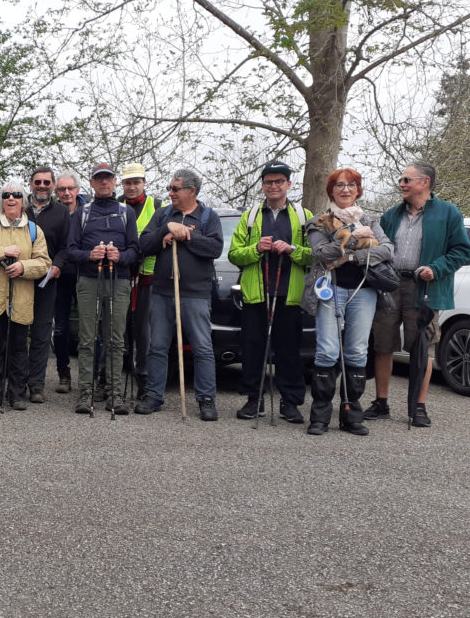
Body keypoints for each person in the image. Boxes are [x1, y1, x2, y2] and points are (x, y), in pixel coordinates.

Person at [364, 162, 470, 427]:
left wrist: (436, 269)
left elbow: (461, 250)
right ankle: (381, 402)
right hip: (390, 286)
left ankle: (419, 407)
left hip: (425, 287)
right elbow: (379, 247)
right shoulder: (391, 214)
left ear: (424, 182)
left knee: (422, 348)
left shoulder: (449, 213)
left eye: (406, 179)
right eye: (401, 180)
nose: (401, 184)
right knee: (383, 344)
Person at [302, 168, 393, 436]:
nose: (345, 190)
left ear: (358, 190)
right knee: (327, 351)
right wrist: (355, 239)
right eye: (339, 185)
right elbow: (321, 254)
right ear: (331, 190)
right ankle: (319, 417)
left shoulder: (371, 218)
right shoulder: (318, 220)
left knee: (357, 352)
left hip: (363, 291)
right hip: (329, 289)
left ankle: (351, 414)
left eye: (351, 185)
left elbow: (387, 250)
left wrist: (350, 257)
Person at [227, 161, 313, 423]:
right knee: (253, 349)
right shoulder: (250, 216)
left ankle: (290, 402)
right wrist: (255, 248)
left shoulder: (304, 215)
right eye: (268, 182)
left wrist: (293, 250)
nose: (273, 186)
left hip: (289, 294)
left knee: (289, 350)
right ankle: (254, 400)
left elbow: (314, 256)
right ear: (262, 185)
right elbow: (234, 254)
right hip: (256, 294)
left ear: (288, 184)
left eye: (279, 181)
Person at [136, 169, 223, 421]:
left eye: (175, 189)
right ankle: (153, 394)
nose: (170, 193)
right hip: (162, 291)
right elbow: (144, 244)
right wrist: (166, 228)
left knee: (202, 347)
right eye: (170, 188)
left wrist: (185, 235)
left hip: (196, 294)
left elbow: (215, 248)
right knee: (158, 345)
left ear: (191, 191)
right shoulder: (163, 213)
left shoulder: (208, 216)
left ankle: (206, 399)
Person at [66, 163, 139, 415]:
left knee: (115, 339)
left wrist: (121, 256)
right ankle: (85, 391)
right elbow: (71, 250)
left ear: (114, 181)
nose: (104, 183)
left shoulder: (126, 213)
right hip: (89, 279)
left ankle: (114, 391)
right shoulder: (82, 213)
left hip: (118, 280)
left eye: (108, 178)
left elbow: (135, 250)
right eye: (99, 179)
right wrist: (90, 254)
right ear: (93, 182)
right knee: (87, 339)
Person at [0, 181, 51, 409]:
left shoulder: (34, 230)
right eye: (6, 195)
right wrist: (1, 252)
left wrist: (23, 267)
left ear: (23, 200)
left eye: (16, 195)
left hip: (21, 299)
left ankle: (16, 394)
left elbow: (44, 263)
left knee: (18, 349)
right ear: (2, 201)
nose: (11, 199)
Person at [25, 166, 70, 404]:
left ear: (52, 185)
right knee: (21, 333)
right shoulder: (20, 210)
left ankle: (36, 385)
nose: (42, 186)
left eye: (46, 182)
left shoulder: (61, 212)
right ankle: (17, 381)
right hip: (21, 280)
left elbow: (66, 246)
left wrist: (58, 265)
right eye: (37, 182)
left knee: (42, 334)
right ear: (31, 184)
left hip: (48, 280)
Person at [119, 163, 164, 399]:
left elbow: (162, 234)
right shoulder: (116, 205)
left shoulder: (158, 207)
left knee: (144, 332)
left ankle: (144, 379)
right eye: (128, 182)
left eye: (136, 182)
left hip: (147, 276)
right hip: (121, 274)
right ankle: (115, 378)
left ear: (144, 183)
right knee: (120, 328)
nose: (132, 186)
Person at [52, 172, 87, 393]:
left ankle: (91, 377)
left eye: (70, 189)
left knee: (89, 328)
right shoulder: (53, 213)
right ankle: (63, 373)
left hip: (86, 275)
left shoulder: (89, 212)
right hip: (60, 276)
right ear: (57, 192)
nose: (66, 193)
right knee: (61, 328)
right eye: (62, 190)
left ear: (77, 190)